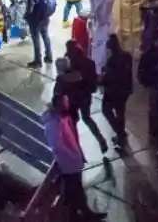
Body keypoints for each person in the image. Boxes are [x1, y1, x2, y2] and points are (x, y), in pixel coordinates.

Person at [44, 93, 107, 221]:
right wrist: (72, 155)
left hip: (72, 162)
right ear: (59, 105)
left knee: (76, 190)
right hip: (69, 164)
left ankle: (81, 213)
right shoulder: (54, 123)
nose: (68, 104)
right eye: (65, 102)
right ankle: (78, 215)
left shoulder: (61, 118)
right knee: (74, 190)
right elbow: (57, 145)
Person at [62, 40, 109, 154]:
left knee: (72, 122)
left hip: (73, 98)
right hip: (85, 97)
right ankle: (100, 139)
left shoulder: (68, 62)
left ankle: (76, 148)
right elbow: (94, 83)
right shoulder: (90, 63)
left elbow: (65, 81)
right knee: (87, 118)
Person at [100, 36, 133, 149]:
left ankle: (119, 134)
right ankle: (121, 134)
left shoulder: (111, 62)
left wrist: (100, 79)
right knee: (120, 113)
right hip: (125, 91)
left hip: (113, 92)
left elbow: (108, 78)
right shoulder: (127, 56)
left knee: (106, 110)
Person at [24, 0, 56, 68]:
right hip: (46, 17)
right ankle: (49, 57)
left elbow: (29, 10)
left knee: (36, 39)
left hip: (35, 20)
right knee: (45, 36)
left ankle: (38, 61)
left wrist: (26, 16)